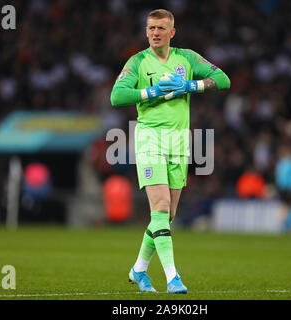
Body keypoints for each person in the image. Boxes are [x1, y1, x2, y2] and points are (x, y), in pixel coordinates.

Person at [110, 9, 230, 294]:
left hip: (179, 143)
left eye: (161, 28)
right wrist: (150, 92)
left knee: (167, 215)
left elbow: (223, 80)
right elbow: (117, 95)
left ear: (171, 32)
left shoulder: (186, 58)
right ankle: (172, 277)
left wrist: (190, 85)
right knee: (161, 207)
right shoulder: (138, 61)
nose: (155, 33)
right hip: (150, 139)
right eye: (151, 28)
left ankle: (139, 270)